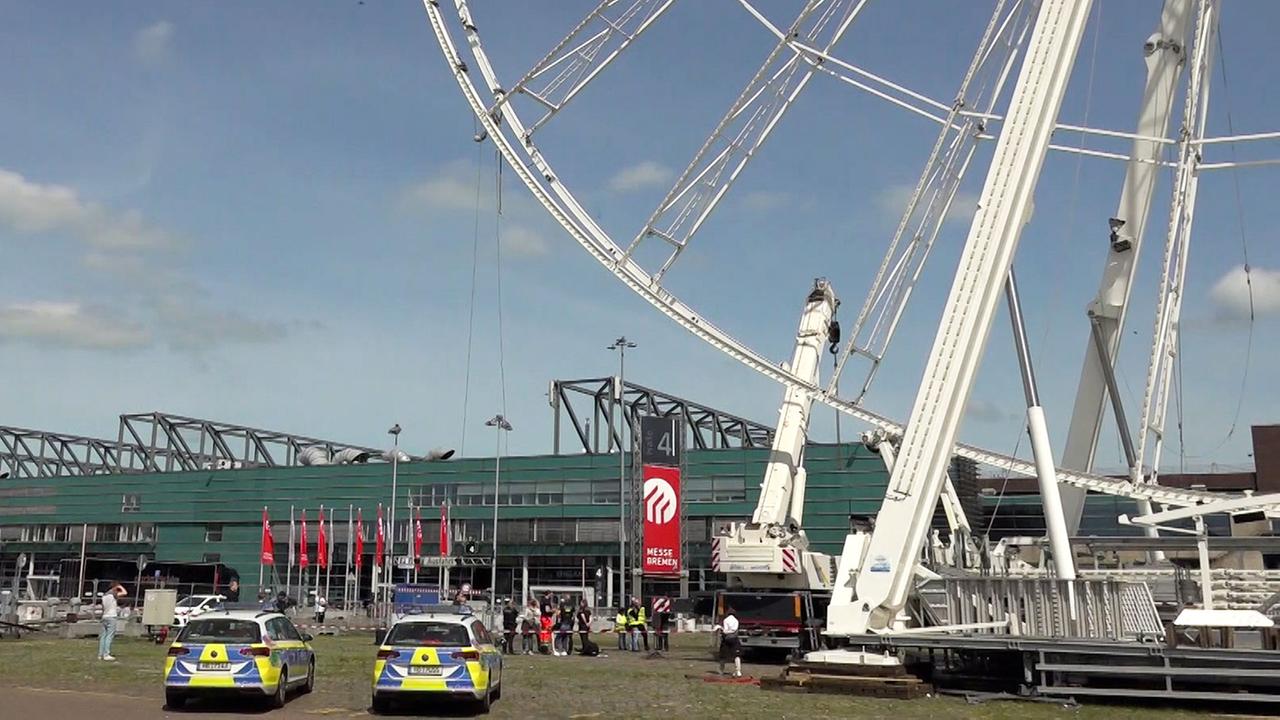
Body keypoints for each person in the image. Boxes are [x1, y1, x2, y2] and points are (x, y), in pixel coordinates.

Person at [98, 581, 127, 661]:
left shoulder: (104, 596)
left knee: (103, 636)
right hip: (112, 616)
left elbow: (103, 607)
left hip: (105, 616)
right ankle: (106, 654)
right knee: (109, 636)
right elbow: (125, 592)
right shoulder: (113, 595)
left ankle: (100, 654)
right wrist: (119, 586)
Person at [715, 606, 742, 678]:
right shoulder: (736, 620)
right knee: (737, 655)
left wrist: (721, 628)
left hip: (726, 639)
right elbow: (734, 630)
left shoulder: (725, 620)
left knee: (723, 655)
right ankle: (738, 671)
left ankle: (721, 670)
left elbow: (725, 630)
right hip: (734, 639)